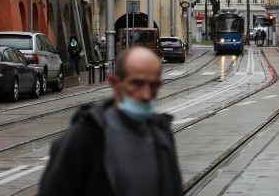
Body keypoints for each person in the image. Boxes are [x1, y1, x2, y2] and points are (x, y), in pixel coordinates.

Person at [39, 47, 182, 196]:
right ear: (115, 83)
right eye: (137, 83)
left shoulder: (162, 134)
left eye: (153, 85)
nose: (146, 94)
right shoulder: (86, 136)